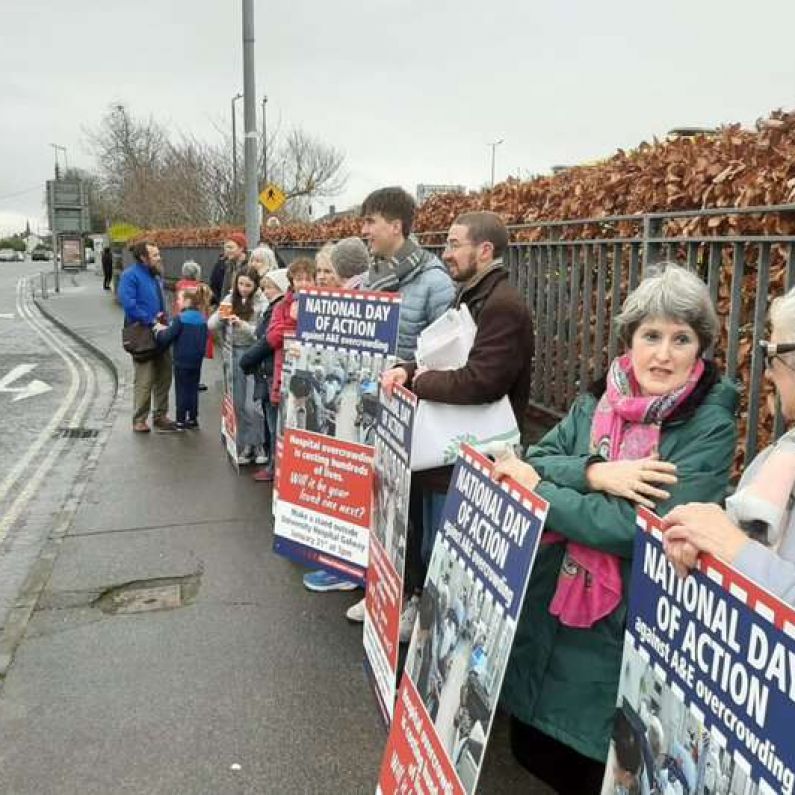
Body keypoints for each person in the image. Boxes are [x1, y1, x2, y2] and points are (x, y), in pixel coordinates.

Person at [491, 264, 738, 794]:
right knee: (539, 757)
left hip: (625, 628)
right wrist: (596, 471)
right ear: (630, 340)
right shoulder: (598, 397)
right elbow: (542, 453)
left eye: (681, 338)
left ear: (702, 349)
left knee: (590, 770)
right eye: (651, 335)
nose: (663, 354)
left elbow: (638, 526)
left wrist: (541, 490)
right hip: (552, 612)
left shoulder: (709, 424)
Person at [374, 211, 534, 632]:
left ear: (484, 250)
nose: (445, 253)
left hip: (469, 453)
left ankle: (433, 635)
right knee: (427, 543)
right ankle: (421, 616)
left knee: (445, 552)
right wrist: (408, 368)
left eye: (453, 244)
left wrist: (420, 381)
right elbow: (438, 353)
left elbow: (483, 380)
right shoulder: (473, 295)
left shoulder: (503, 306)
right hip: (445, 447)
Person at [306, 186, 455, 597]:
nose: (364, 230)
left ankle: (403, 599)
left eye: (370, 221)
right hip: (374, 408)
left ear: (396, 225)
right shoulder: (377, 277)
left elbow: (443, 356)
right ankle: (377, 588)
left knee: (405, 515)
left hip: (410, 415)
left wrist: (402, 373)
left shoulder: (434, 281)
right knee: (377, 502)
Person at [663, 286, 795, 604]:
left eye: (771, 353)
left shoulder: (713, 424)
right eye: (650, 335)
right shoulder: (777, 457)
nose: (766, 372)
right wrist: (703, 542)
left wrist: (734, 550)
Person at [118, 241, 179, 433]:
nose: (159, 258)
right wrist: (151, 321)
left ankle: (160, 415)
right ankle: (139, 419)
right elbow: (129, 304)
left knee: (164, 374)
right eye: (155, 255)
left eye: (158, 254)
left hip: (161, 330)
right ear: (143, 258)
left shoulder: (155, 275)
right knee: (145, 378)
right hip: (142, 332)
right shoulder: (130, 276)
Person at [209, 267, 267, 465]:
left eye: (248, 285)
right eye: (240, 284)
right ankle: (243, 444)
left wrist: (243, 325)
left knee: (253, 404)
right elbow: (211, 325)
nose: (243, 289)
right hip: (232, 353)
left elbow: (262, 333)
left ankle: (258, 443)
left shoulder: (262, 302)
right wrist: (222, 316)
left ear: (255, 286)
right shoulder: (229, 299)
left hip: (252, 354)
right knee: (238, 401)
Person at [239, 268, 290, 482]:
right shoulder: (274, 308)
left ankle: (273, 466)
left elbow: (268, 339)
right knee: (271, 420)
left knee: (273, 423)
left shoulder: (276, 309)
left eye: (269, 287)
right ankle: (272, 464)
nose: (265, 291)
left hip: (270, 370)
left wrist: (247, 359)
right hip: (267, 370)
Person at [265, 257, 317, 447]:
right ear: (292, 282)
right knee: (283, 431)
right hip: (285, 374)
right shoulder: (282, 306)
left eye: (308, 279)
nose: (303, 284)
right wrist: (293, 321)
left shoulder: (325, 306)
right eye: (298, 279)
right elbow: (271, 338)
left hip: (310, 376)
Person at [154, 285, 210, 430]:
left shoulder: (180, 319)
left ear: (187, 302)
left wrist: (157, 331)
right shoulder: (202, 319)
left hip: (181, 360)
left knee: (181, 390)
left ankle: (180, 419)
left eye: (179, 299)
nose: (177, 302)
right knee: (192, 389)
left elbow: (167, 337)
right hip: (196, 361)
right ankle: (192, 418)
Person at [209, 233, 248, 307]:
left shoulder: (250, 266)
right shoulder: (224, 265)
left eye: (230, 247)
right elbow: (219, 288)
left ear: (241, 248)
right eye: (226, 247)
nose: (227, 250)